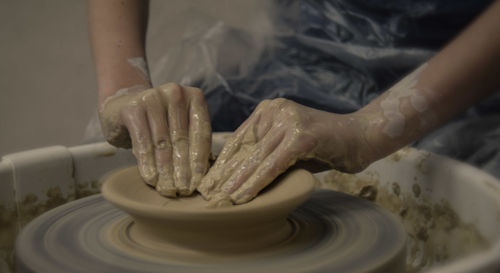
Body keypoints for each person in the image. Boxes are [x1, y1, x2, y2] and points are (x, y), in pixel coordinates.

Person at [88, 0, 500, 206]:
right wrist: (123, 86)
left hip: (471, 79)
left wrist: (372, 128)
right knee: (165, 142)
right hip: (305, 58)